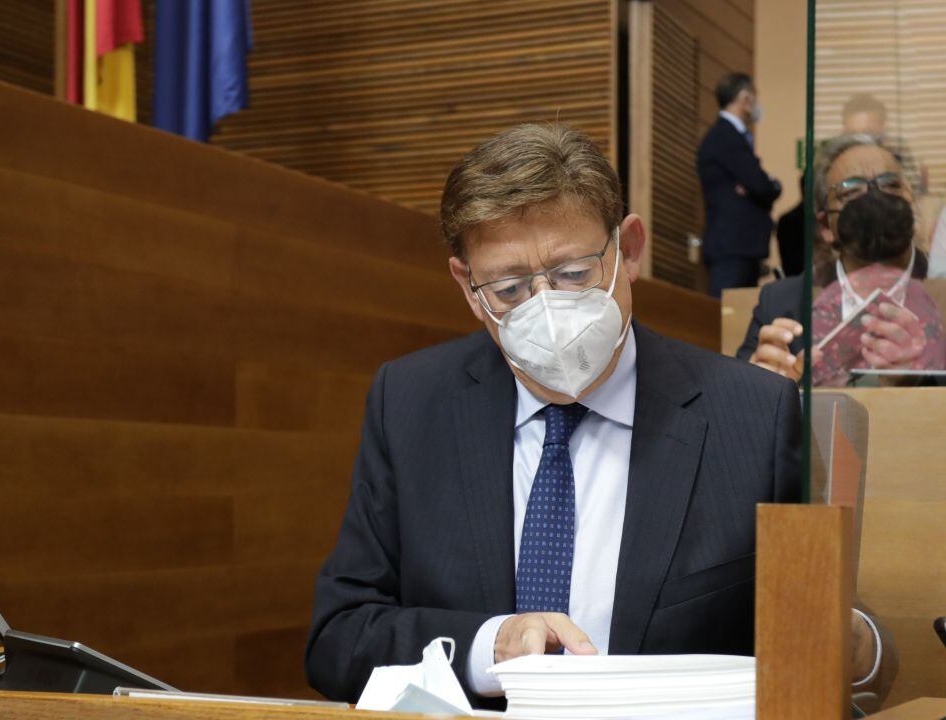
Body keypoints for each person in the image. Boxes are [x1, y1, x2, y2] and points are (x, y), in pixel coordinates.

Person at [305, 123, 881, 710]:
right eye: (507, 288)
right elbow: (340, 635)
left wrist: (851, 638)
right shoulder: (409, 403)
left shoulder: (752, 416)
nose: (544, 308)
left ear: (628, 250)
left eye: (573, 275)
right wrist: (488, 648)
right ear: (467, 286)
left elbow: (837, 633)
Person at [738, 134, 945, 386]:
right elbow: (734, 408)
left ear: (912, 204)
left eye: (890, 185)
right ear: (825, 225)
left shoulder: (940, 288)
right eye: (852, 191)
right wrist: (764, 388)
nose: (875, 198)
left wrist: (917, 378)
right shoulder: (780, 304)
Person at [696, 72, 782, 298]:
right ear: (745, 99)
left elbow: (754, 184)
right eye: (754, 96)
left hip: (739, 246)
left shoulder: (730, 135)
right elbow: (761, 185)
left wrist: (757, 187)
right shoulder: (726, 136)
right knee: (726, 319)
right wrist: (772, 185)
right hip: (732, 246)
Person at [841, 94, 926, 196]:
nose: (859, 140)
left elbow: (913, 192)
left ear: (882, 128)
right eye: (852, 134)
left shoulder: (896, 150)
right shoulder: (834, 155)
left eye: (867, 133)